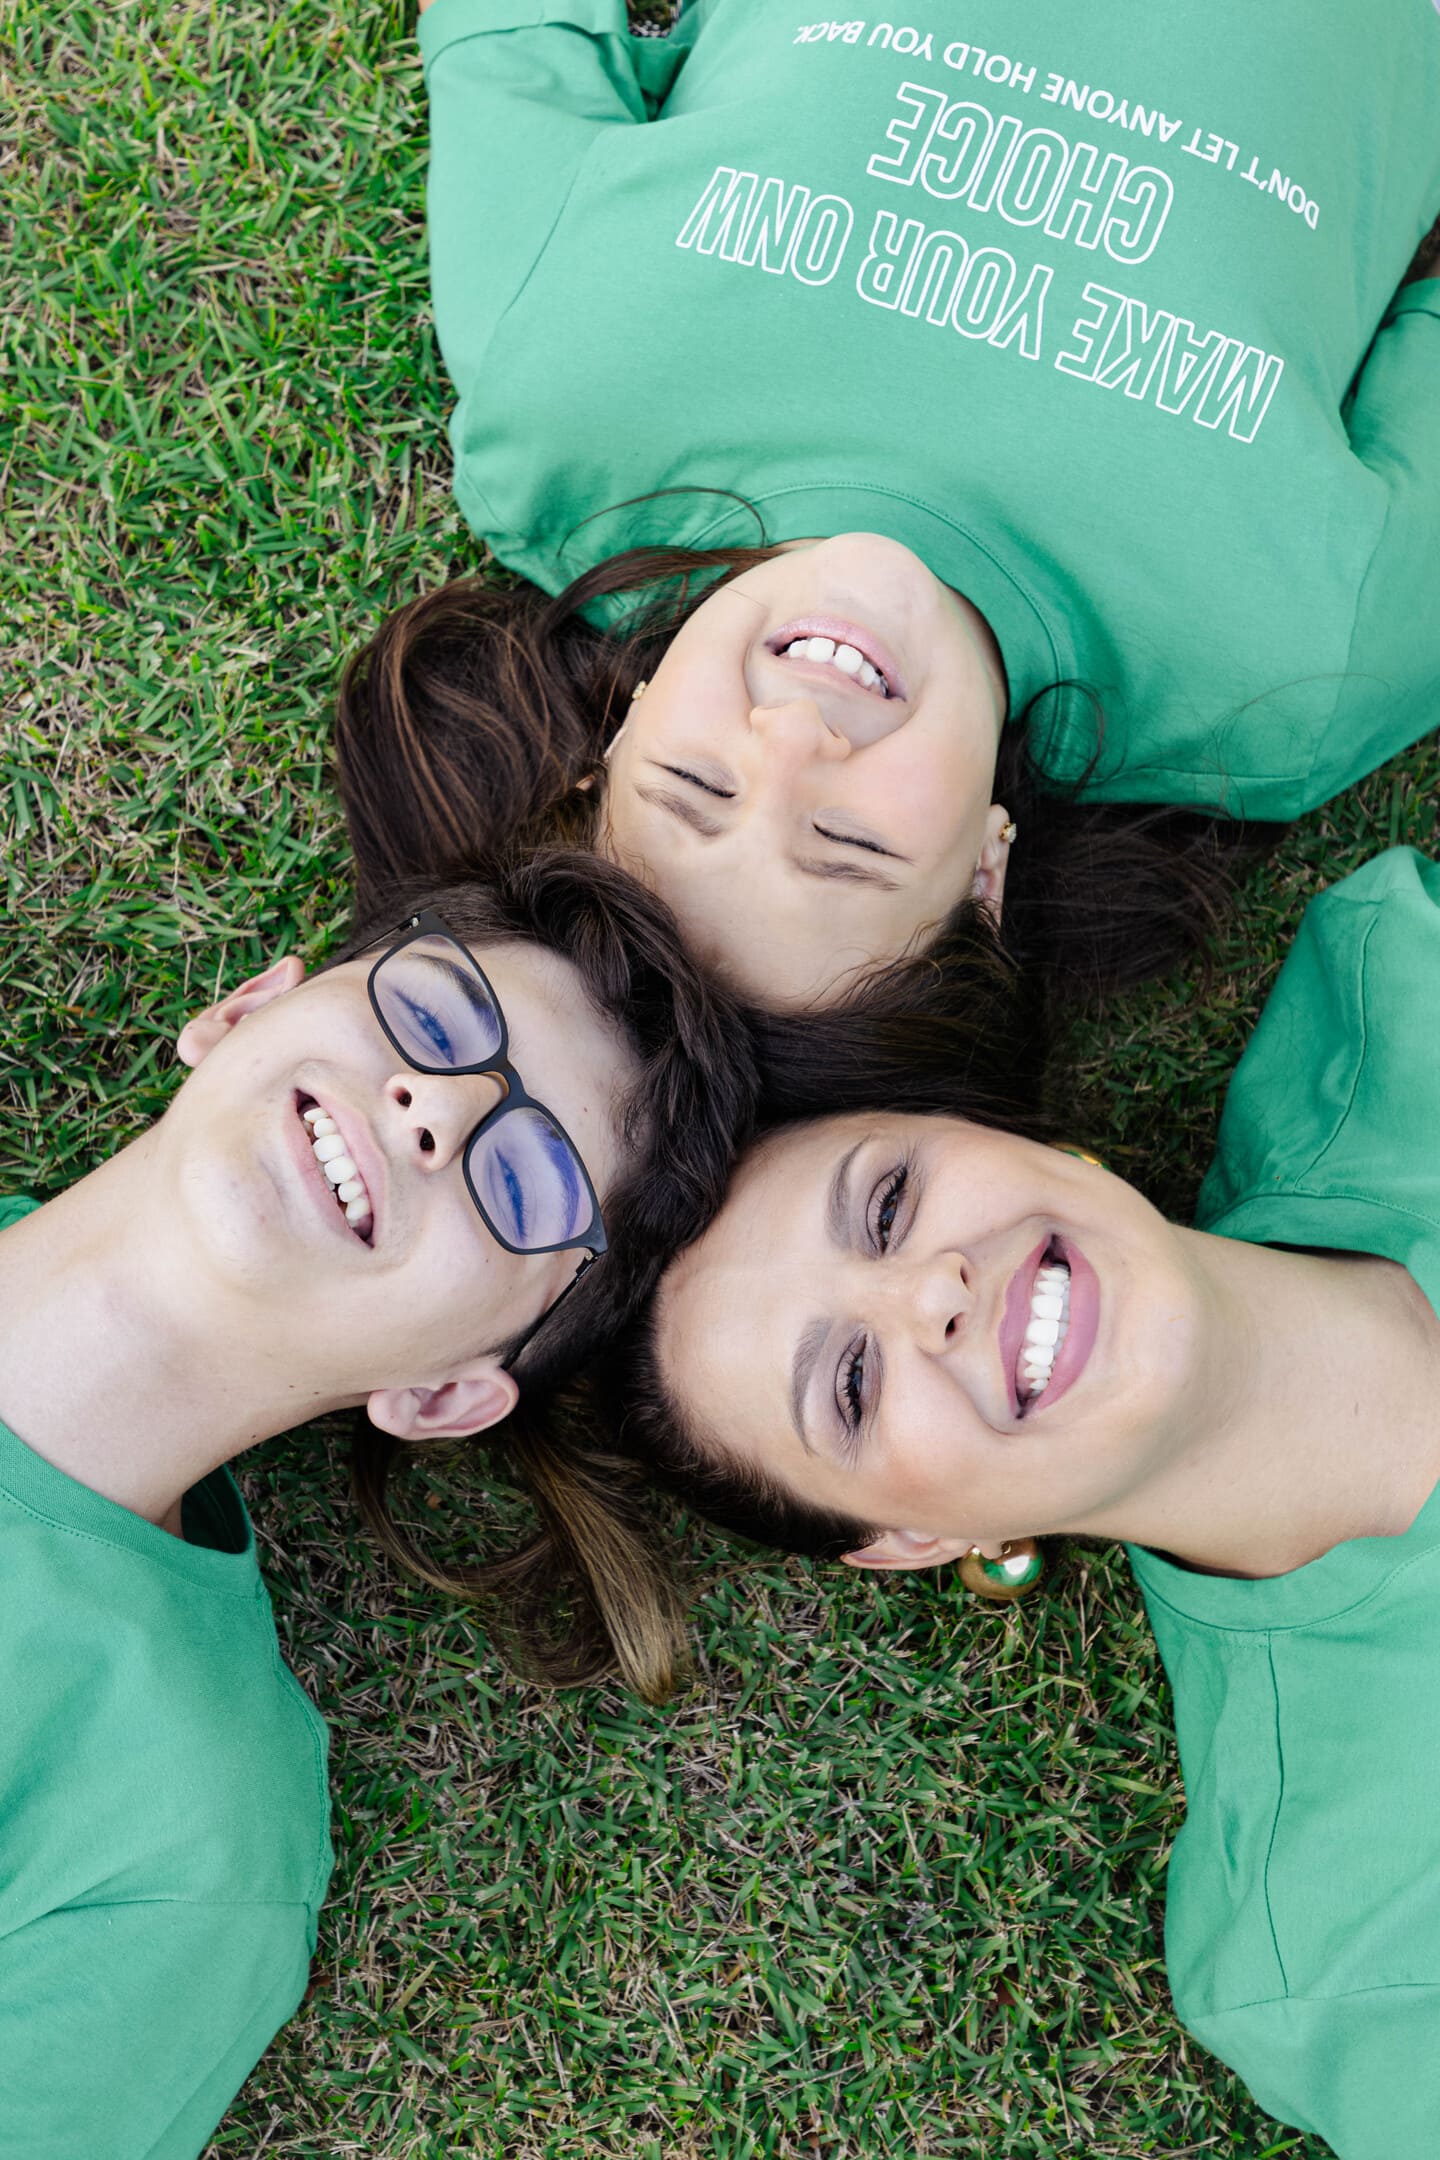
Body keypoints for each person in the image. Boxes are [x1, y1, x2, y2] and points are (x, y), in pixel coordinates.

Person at [516, 846, 1440, 2157]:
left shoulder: (1401, 997)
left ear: (1007, 1136)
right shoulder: (1348, 1942)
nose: (932, 1294)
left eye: (889, 1202)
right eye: (849, 1386)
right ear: (917, 1541)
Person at [333, 0, 1440, 1009]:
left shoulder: (567, 403)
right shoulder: (1292, 674)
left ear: (618, 731)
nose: (793, 738)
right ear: (983, 883)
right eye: (849, 845)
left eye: (696, 783)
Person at [0, 846, 755, 2160]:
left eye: (528, 1181)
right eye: (438, 1015)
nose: (435, 1109)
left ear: (448, 1394)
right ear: (245, 1008)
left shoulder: (185, 1841)